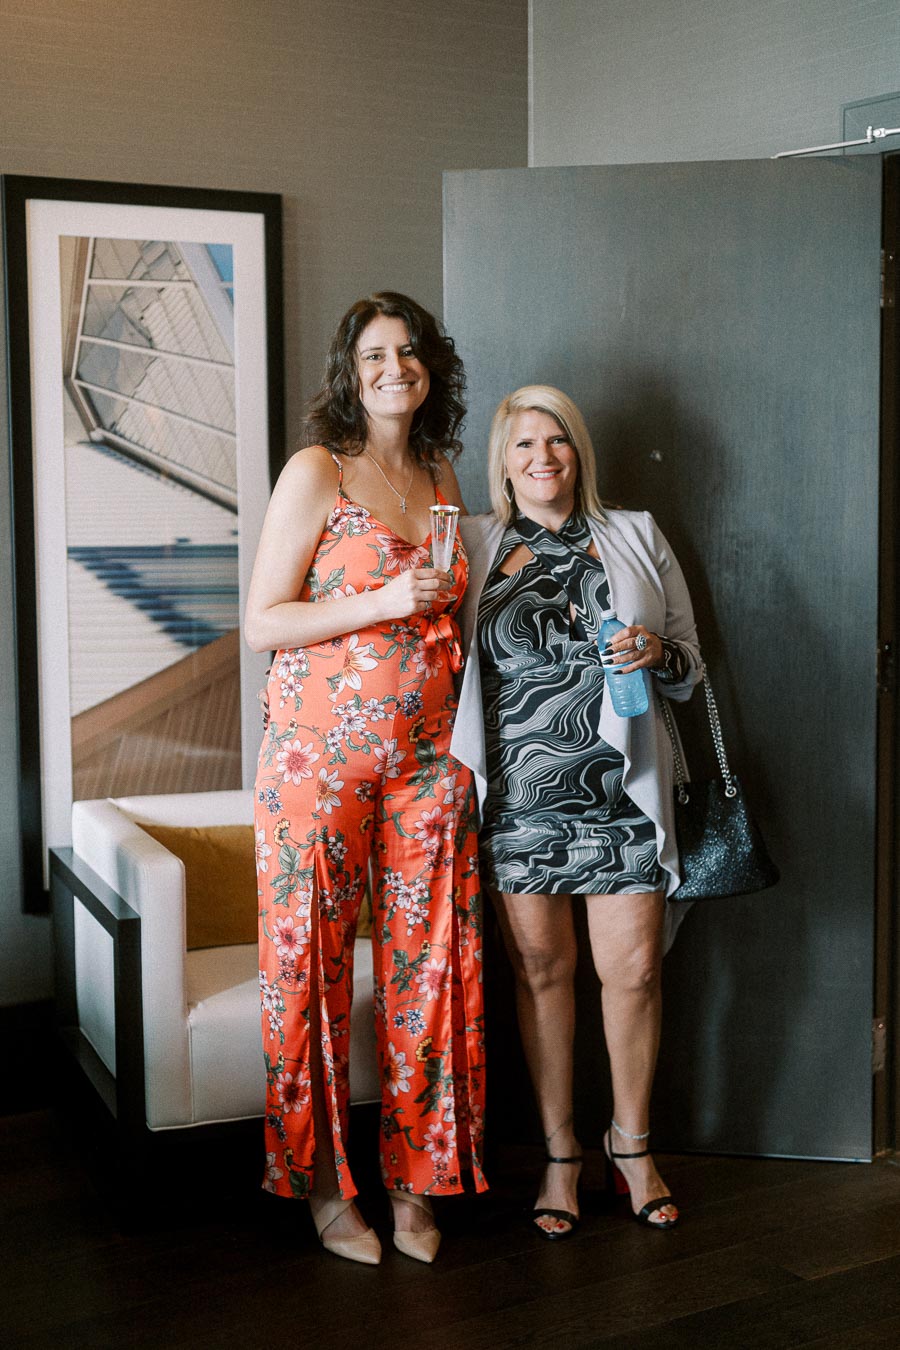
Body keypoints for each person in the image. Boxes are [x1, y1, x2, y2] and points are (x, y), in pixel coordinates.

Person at [245, 292, 486, 1266]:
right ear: (351, 371)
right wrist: (384, 597)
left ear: (432, 369)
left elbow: (456, 611)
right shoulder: (318, 470)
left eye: (411, 353)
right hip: (317, 760)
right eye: (377, 355)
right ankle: (323, 1190)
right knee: (307, 966)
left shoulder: (437, 470)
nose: (396, 369)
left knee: (432, 967)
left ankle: (414, 1182)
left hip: (432, 761)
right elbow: (264, 620)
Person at [450, 385, 701, 1239]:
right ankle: (562, 1153)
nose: (542, 458)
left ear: (577, 452)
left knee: (633, 973)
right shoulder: (475, 542)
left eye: (556, 442)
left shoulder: (632, 532)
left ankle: (630, 1146)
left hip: (621, 793)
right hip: (517, 801)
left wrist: (657, 648)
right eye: (524, 445)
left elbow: (689, 667)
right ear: (503, 461)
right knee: (541, 975)